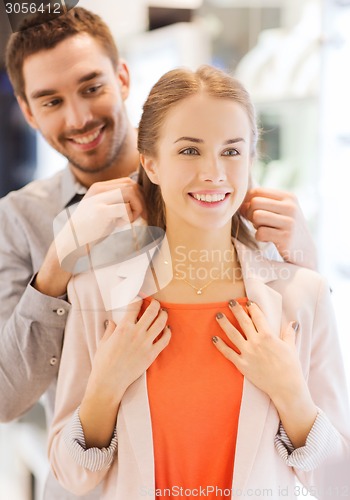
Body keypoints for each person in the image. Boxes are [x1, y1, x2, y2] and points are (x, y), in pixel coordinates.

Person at [0, 6, 318, 498]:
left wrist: (303, 258)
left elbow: (301, 337)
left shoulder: (221, 195)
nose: (80, 117)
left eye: (91, 88)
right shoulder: (21, 221)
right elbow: (5, 397)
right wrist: (60, 261)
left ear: (122, 78)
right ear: (27, 110)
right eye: (51, 100)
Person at [48, 65, 350, 499]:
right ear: (150, 162)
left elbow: (338, 483)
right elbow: (69, 474)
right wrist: (104, 388)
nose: (214, 172)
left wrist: (292, 396)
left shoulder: (303, 295)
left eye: (232, 151)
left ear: (250, 160)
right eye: (190, 151)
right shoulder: (97, 293)